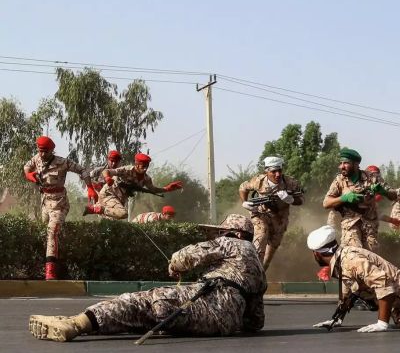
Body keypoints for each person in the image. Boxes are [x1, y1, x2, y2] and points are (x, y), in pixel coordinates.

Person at [28, 215, 267, 342]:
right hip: (221, 326)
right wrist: (228, 319)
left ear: (235, 233)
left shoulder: (230, 243)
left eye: (222, 232)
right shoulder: (258, 266)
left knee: (140, 302)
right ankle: (86, 323)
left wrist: (174, 265)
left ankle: (76, 324)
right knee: (149, 316)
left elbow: (186, 256)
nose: (220, 235)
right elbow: (256, 321)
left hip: (208, 301)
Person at [23, 136, 93, 280]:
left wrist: (90, 187)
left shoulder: (63, 162)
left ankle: (50, 270)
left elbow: (83, 171)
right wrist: (29, 175)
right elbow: (26, 167)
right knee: (42, 231)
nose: (42, 154)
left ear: (52, 150)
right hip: (44, 202)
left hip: (59, 204)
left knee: (51, 231)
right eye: (40, 151)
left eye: (45, 151)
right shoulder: (36, 158)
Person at [323, 148, 396, 252]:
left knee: (371, 256)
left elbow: (394, 196)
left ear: (356, 164)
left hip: (370, 226)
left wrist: (383, 191)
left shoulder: (372, 178)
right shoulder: (339, 180)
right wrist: (344, 198)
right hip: (350, 224)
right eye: (340, 163)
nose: (341, 166)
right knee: (354, 253)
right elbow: (326, 203)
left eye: (346, 163)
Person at [239, 156, 304, 271]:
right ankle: (252, 270)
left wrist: (291, 199)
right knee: (261, 235)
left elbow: (301, 199)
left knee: (270, 253)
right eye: (273, 171)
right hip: (261, 214)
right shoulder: (258, 181)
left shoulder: (290, 182)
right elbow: (243, 188)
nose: (277, 174)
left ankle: (262, 272)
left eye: (279, 171)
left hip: (280, 218)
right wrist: (244, 202)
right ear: (267, 172)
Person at [83, 153, 183, 220]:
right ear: (137, 164)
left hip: (119, 200)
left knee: (112, 221)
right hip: (109, 194)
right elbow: (106, 171)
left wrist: (168, 188)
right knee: (123, 214)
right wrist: (108, 178)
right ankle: (96, 208)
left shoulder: (146, 179)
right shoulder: (127, 170)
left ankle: (95, 209)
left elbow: (153, 189)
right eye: (143, 166)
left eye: (146, 167)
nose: (145, 169)